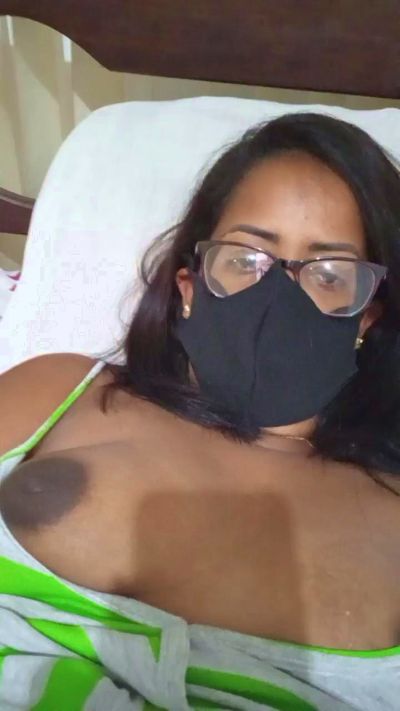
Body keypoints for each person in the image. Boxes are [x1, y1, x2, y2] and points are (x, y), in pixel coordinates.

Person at [0, 112, 399, 710]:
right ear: (188, 287)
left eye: (328, 272)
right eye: (246, 258)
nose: (279, 295)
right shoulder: (62, 391)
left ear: (366, 317)